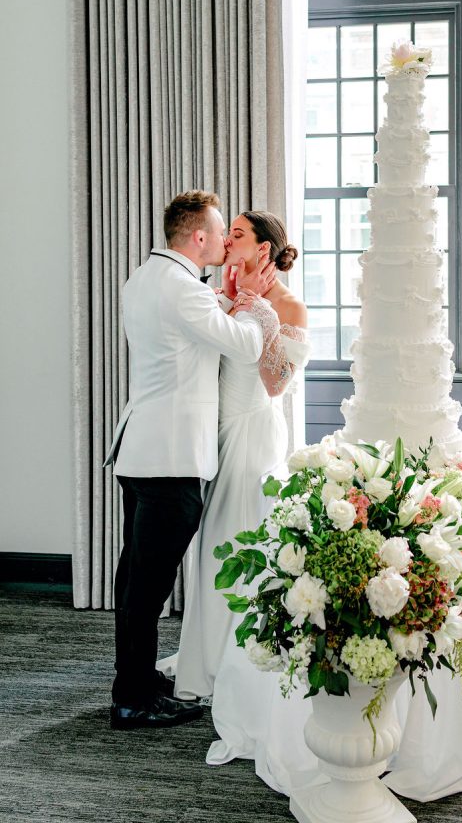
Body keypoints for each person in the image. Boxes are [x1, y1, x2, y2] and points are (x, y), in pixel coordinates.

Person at [105, 191, 277, 730]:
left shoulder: (145, 278)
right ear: (198, 236)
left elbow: (196, 333)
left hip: (141, 449)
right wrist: (255, 304)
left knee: (134, 575)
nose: (225, 239)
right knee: (147, 584)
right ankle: (132, 699)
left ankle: (133, 677)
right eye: (220, 231)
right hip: (170, 459)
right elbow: (246, 347)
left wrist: (229, 302)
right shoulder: (184, 291)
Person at [161, 211, 309, 702]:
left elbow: (275, 383)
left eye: (238, 234)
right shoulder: (216, 298)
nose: (227, 240)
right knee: (211, 547)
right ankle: (207, 652)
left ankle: (243, 661)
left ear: (263, 249)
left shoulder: (288, 305)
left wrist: (256, 308)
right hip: (216, 435)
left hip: (251, 435)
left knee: (237, 541)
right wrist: (233, 299)